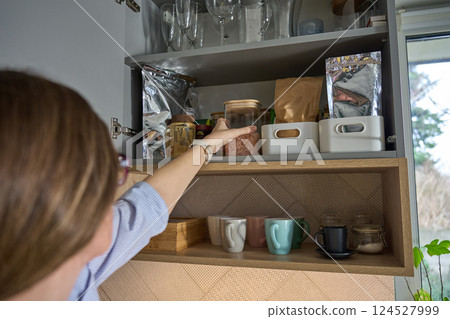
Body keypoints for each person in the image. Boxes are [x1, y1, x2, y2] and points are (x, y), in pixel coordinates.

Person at [0, 71, 256, 301]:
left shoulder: (70, 264)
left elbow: (148, 205)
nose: (114, 183)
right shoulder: (69, 258)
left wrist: (208, 145)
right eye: (102, 173)